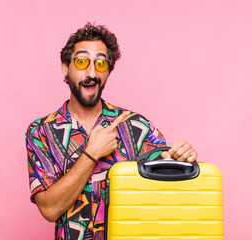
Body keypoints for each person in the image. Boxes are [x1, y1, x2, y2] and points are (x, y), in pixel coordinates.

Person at [25, 22, 198, 240]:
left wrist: (182, 158)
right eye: (81, 61)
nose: (92, 72)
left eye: (101, 64)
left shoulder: (136, 127)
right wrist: (91, 154)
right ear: (65, 67)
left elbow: (166, 186)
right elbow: (50, 209)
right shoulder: (41, 132)